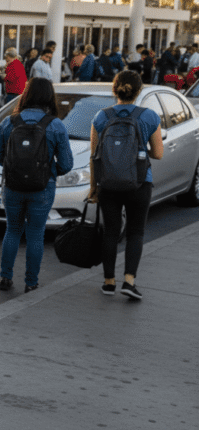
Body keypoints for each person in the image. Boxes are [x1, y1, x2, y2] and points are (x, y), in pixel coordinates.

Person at [0, 78, 73, 293]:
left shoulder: (9, 122)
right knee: (36, 233)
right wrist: (48, 171)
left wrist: (13, 167)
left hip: (13, 187)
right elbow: (66, 164)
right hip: (43, 188)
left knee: (12, 230)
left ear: (25, 95)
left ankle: (5, 277)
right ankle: (31, 282)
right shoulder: (55, 125)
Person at [88, 70, 163, 300]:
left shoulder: (101, 117)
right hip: (140, 182)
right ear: (139, 91)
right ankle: (129, 282)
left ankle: (108, 282)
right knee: (136, 232)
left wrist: (94, 188)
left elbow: (94, 157)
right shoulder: (149, 116)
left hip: (108, 183)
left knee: (110, 232)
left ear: (115, 89)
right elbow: (158, 153)